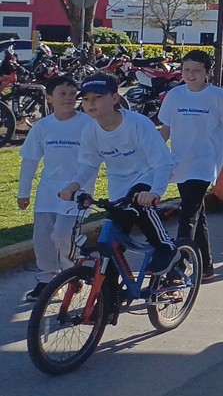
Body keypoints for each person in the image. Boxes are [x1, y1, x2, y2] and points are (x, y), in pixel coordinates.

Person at [60, 75, 177, 275]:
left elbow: (162, 162)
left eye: (98, 97)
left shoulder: (138, 124)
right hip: (119, 184)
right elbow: (88, 164)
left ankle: (166, 247)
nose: (91, 103)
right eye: (86, 99)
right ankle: (109, 291)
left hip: (147, 175)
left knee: (139, 203)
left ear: (115, 98)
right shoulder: (90, 130)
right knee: (109, 244)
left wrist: (155, 192)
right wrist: (74, 185)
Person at [158, 50, 223, 279]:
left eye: (197, 71)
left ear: (207, 72)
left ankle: (179, 266)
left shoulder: (216, 96)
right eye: (186, 70)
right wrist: (153, 154)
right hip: (180, 162)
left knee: (188, 214)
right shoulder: (175, 96)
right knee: (197, 214)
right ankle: (206, 266)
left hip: (205, 163)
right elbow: (166, 128)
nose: (191, 75)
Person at [17, 76, 94, 303]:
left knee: (63, 235)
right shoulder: (42, 127)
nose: (69, 98)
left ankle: (72, 273)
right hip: (48, 193)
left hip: (77, 194)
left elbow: (97, 157)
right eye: (62, 94)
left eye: (73, 94)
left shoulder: (88, 124)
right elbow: (30, 161)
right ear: (49, 97)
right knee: (43, 238)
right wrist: (23, 192)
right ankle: (47, 280)